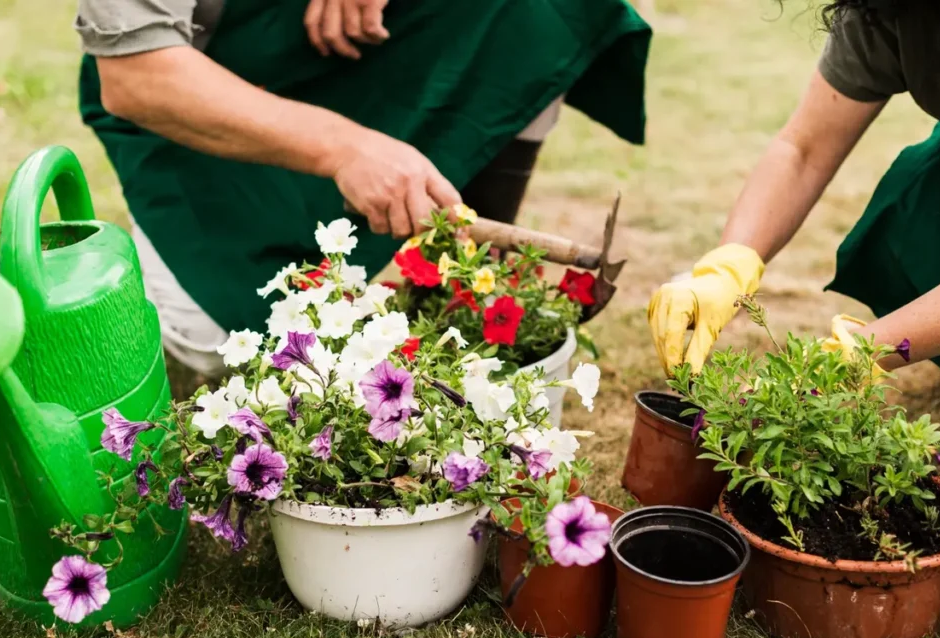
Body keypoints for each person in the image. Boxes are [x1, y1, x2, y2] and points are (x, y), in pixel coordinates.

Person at [75, 0, 651, 375]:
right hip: (205, 93)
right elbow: (137, 75)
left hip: (345, 41)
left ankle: (472, 287)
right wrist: (346, 149)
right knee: (220, 340)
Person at [649, 0, 940, 411]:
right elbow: (803, 150)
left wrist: (858, 352)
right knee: (924, 203)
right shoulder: (891, 10)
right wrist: (727, 268)